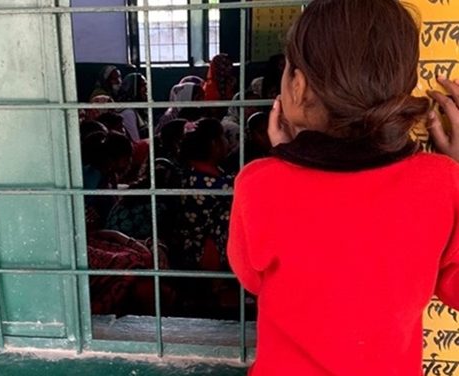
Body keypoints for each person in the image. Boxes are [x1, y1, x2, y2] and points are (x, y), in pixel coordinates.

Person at [227, 1, 459, 375]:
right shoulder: (441, 182)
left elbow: (252, 278)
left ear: (298, 84)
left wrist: (284, 159)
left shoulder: (259, 183)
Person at [177, 118, 233, 271]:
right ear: (214, 144)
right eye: (224, 138)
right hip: (207, 251)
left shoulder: (192, 171)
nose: (228, 143)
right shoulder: (212, 182)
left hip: (194, 247)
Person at [116, 73, 148, 141]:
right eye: (143, 85)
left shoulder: (138, 110)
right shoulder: (128, 113)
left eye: (146, 85)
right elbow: (136, 141)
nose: (146, 89)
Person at [203, 54, 237, 119]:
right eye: (226, 65)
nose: (230, 68)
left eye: (231, 65)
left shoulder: (231, 82)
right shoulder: (210, 87)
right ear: (218, 67)